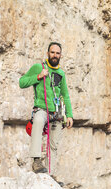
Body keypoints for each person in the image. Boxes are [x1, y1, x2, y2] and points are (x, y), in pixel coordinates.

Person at [19, 42, 73, 174]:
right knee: (37, 120)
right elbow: (22, 82)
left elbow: (65, 95)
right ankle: (36, 161)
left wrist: (69, 114)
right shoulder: (38, 67)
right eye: (52, 52)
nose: (55, 55)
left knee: (53, 145)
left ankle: (50, 174)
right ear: (48, 53)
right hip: (42, 109)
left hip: (56, 112)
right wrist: (38, 76)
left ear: (61, 55)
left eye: (57, 53)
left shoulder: (61, 74)